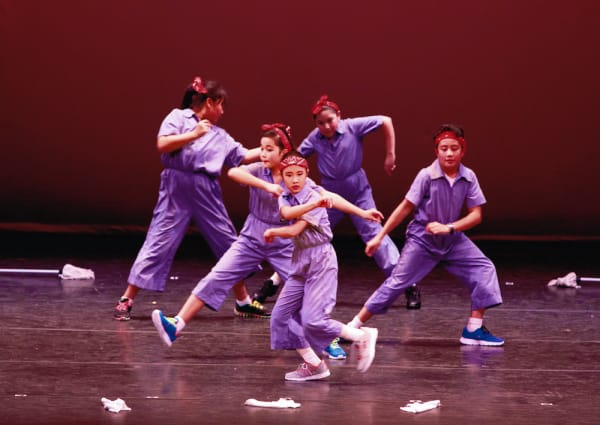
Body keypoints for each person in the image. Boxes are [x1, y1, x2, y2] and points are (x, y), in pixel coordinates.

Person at [151, 125, 382, 353]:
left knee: (301, 298)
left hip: (285, 243)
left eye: (269, 149)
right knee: (217, 275)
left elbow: (328, 196)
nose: (263, 153)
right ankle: (177, 325)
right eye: (262, 148)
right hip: (252, 236)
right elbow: (234, 171)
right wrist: (266, 186)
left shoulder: (295, 176)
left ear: (283, 152)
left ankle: (327, 340)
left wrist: (362, 213)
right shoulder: (258, 171)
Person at [114, 76, 269, 321]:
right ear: (210, 101)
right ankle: (127, 298)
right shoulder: (178, 117)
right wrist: (194, 133)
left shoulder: (220, 135)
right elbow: (162, 144)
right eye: (220, 105)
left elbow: (243, 155)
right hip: (177, 186)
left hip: (206, 189)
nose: (222, 111)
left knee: (228, 242)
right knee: (159, 239)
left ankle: (243, 301)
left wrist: (272, 148)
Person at [346, 124, 504, 346]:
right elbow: (405, 207)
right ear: (436, 150)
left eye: (454, 148)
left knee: (484, 268)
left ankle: (473, 329)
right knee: (397, 283)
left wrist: (450, 228)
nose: (449, 153)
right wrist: (380, 236)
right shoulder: (427, 176)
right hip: (423, 240)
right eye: (444, 148)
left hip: (452, 239)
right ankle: (352, 326)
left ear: (462, 150)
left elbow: (476, 215)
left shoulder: (469, 177)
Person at [266, 151, 379, 381]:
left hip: (321, 259)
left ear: (307, 174)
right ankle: (315, 365)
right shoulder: (287, 197)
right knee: (280, 317)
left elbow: (295, 229)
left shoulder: (314, 195)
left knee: (313, 320)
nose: (295, 179)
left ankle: (362, 336)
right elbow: (287, 213)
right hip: (300, 261)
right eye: (289, 175)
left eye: (299, 174)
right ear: (282, 176)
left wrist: (360, 212)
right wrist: (357, 211)